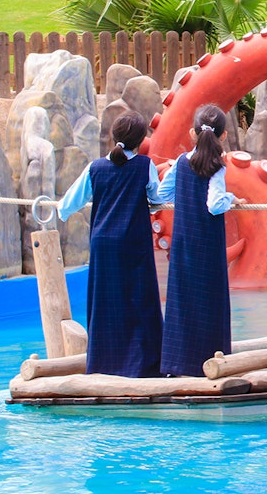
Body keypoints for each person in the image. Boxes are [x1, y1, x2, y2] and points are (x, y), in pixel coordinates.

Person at [57, 111, 163, 378]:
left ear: (113, 137)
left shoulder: (95, 168)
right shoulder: (145, 165)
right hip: (134, 244)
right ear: (140, 141)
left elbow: (69, 203)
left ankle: (104, 364)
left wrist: (58, 212)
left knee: (106, 302)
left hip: (103, 244)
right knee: (140, 302)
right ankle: (144, 365)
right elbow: (156, 199)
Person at [157, 104, 243, 377]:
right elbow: (215, 204)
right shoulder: (217, 166)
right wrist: (232, 199)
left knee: (182, 300)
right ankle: (211, 360)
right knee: (210, 301)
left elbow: (162, 193)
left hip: (184, 243)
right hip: (207, 244)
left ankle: (176, 363)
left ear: (193, 134)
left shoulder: (182, 162)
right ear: (224, 135)